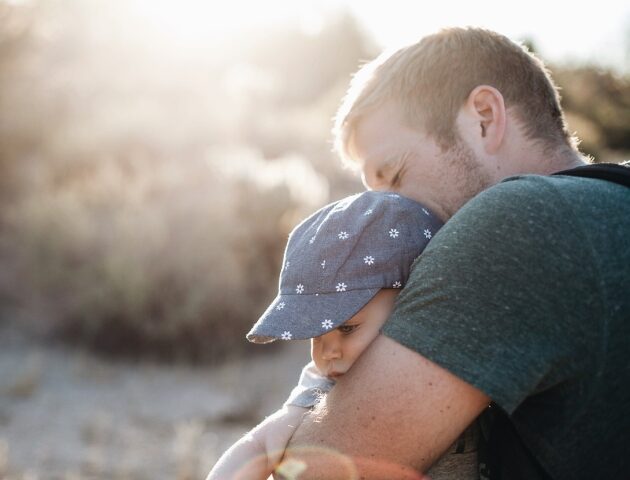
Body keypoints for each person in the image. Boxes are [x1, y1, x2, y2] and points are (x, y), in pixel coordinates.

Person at [279, 27, 630, 479]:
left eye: (394, 175)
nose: (384, 213)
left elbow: (317, 473)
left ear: (484, 116)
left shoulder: (516, 222)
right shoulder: (609, 204)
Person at [206, 190, 480, 480]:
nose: (327, 352)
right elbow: (259, 444)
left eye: (347, 328)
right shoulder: (324, 386)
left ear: (411, 302)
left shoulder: (459, 354)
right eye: (315, 334)